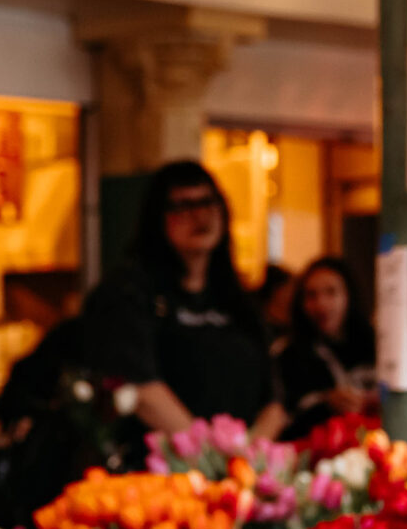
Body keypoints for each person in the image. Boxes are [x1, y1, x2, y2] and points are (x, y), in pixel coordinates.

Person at [80, 160, 278, 450]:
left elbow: (274, 398)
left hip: (240, 470)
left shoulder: (239, 300)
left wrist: (250, 458)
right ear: (158, 219)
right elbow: (141, 388)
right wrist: (212, 458)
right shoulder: (128, 292)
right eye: (183, 206)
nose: (200, 216)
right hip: (159, 469)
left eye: (208, 203)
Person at [272, 256, 377, 441]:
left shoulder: (375, 347)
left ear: (349, 296)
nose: (321, 304)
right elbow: (279, 423)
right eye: (311, 295)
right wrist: (325, 404)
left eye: (331, 292)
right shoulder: (287, 355)